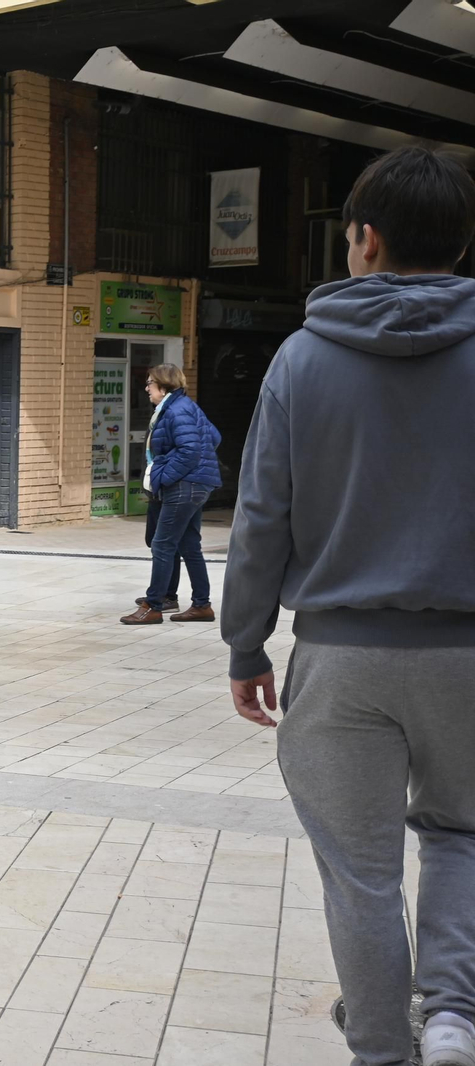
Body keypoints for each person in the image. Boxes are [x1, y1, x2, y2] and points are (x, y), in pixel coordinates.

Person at [222, 145, 475, 1066]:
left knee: (361, 876)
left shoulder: (301, 359)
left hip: (339, 661)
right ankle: (452, 1016)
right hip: (470, 660)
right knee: (462, 836)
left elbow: (261, 518)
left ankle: (382, 1048)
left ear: (361, 240)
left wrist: (245, 643)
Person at [121, 363, 220, 624]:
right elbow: (214, 437)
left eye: (150, 383)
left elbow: (189, 450)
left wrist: (164, 474)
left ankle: (153, 605)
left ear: (163, 387)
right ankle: (202, 605)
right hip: (195, 484)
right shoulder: (182, 407)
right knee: (189, 545)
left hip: (185, 486)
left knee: (162, 544)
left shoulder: (176, 411)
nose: (146, 388)